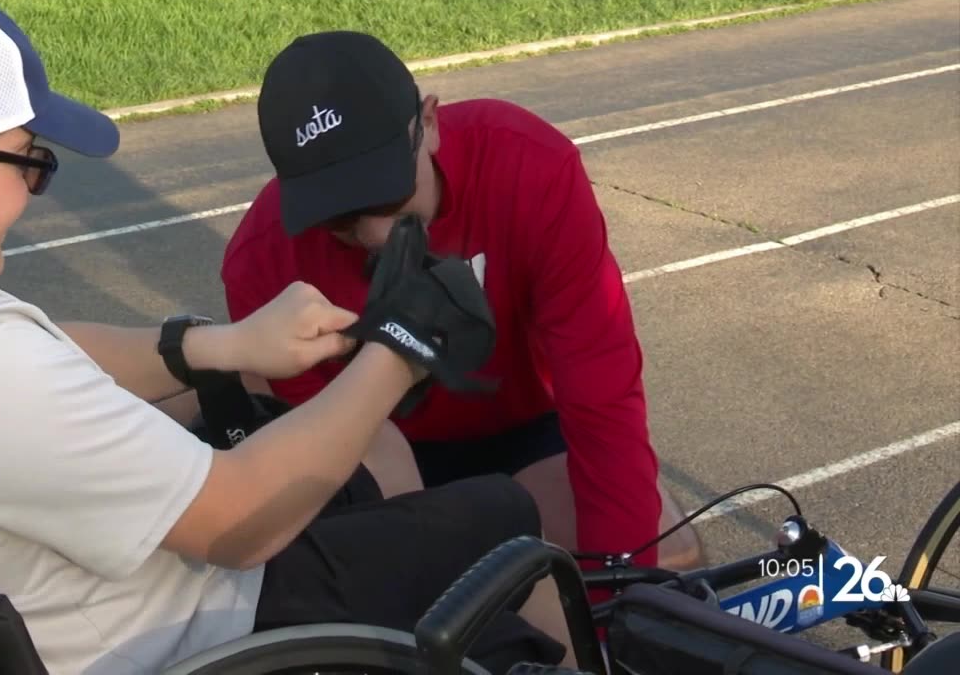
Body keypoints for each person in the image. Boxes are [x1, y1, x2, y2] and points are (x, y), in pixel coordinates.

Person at [0, 0, 574, 675]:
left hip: (21, 616)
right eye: (30, 159)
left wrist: (216, 345)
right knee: (497, 519)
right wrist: (401, 348)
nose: (34, 190)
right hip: (200, 632)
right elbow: (241, 524)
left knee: (374, 454)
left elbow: (35, 348)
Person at [221, 30, 707, 575]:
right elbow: (322, 459)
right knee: (456, 595)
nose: (379, 235)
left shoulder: (529, 167)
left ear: (427, 124)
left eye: (388, 194)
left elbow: (601, 394)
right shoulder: (260, 260)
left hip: (525, 429)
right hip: (371, 446)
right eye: (340, 220)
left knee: (665, 560)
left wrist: (619, 590)